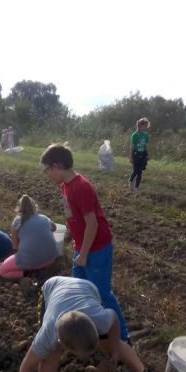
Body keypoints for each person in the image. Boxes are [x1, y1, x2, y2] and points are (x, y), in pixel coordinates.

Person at [17, 276, 161, 372]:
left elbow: (114, 320)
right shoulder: (48, 335)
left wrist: (113, 350)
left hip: (87, 288)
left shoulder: (100, 319)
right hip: (52, 287)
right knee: (50, 356)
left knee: (111, 343)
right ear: (63, 343)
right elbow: (27, 367)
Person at [40, 143, 130, 342]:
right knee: (79, 290)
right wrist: (75, 243)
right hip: (81, 247)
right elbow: (74, 217)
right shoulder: (66, 185)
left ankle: (123, 338)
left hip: (96, 248)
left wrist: (84, 254)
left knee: (102, 293)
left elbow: (92, 224)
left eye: (48, 170)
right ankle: (89, 330)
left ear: (57, 166)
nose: (47, 175)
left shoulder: (81, 187)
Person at [0, 195, 58, 280]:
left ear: (19, 208)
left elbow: (15, 248)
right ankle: (41, 269)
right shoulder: (44, 218)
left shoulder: (17, 221)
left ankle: (30, 274)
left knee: (2, 270)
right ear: (34, 206)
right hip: (50, 260)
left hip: (31, 262)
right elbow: (54, 228)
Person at [128, 117, 151, 193]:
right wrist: (130, 157)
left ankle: (137, 187)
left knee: (140, 172)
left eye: (146, 126)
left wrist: (148, 154)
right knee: (135, 171)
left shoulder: (146, 135)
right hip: (136, 155)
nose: (145, 128)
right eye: (144, 126)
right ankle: (131, 181)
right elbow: (132, 147)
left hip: (143, 155)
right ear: (139, 125)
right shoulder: (134, 135)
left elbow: (146, 146)